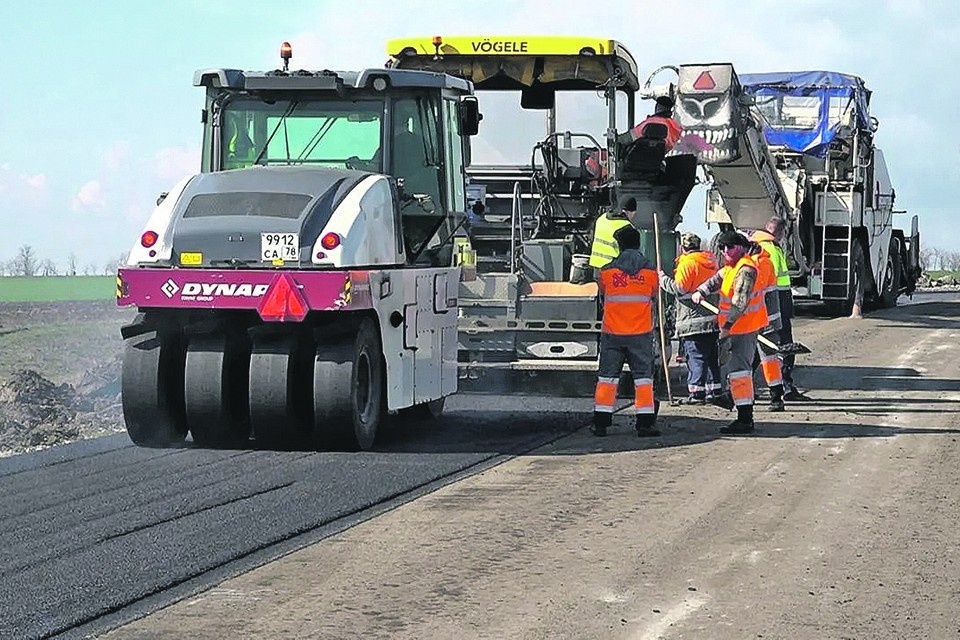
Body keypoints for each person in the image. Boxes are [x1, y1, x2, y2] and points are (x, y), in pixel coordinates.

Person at [692, 230, 768, 434]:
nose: (725, 251)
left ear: (741, 248)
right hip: (736, 328)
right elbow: (716, 279)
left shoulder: (746, 270)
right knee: (735, 372)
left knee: (740, 373)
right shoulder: (731, 267)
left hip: (742, 329)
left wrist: (726, 329)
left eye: (730, 247)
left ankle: (745, 418)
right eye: (722, 248)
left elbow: (740, 303)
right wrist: (701, 291)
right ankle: (741, 411)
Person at [592, 225, 660, 438]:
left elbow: (603, 292)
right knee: (643, 380)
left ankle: (601, 423)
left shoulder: (607, 273)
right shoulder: (650, 273)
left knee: (607, 378)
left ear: (619, 246)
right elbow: (654, 295)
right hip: (640, 334)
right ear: (638, 244)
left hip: (613, 334)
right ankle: (645, 423)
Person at [658, 232, 722, 404]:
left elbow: (680, 288)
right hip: (711, 320)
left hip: (692, 322)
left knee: (696, 357)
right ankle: (714, 390)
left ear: (682, 248)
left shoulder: (688, 264)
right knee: (710, 357)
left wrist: (662, 280)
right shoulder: (710, 262)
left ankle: (697, 393)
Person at [753, 217, 810, 401]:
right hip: (776, 305)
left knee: (760, 346)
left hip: (769, 305)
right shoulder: (770, 248)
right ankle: (786, 387)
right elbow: (772, 283)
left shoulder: (761, 246)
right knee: (784, 346)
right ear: (780, 233)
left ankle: (743, 385)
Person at [747, 235, 786, 412]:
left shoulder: (758, 264)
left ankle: (776, 398)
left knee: (766, 360)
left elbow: (750, 294)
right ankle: (770, 397)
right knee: (758, 360)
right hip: (763, 320)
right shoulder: (762, 261)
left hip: (763, 322)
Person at [588, 196, 636, 270]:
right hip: (613, 270)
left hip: (596, 268)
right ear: (631, 212)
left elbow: (591, 239)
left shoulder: (602, 218)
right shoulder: (626, 227)